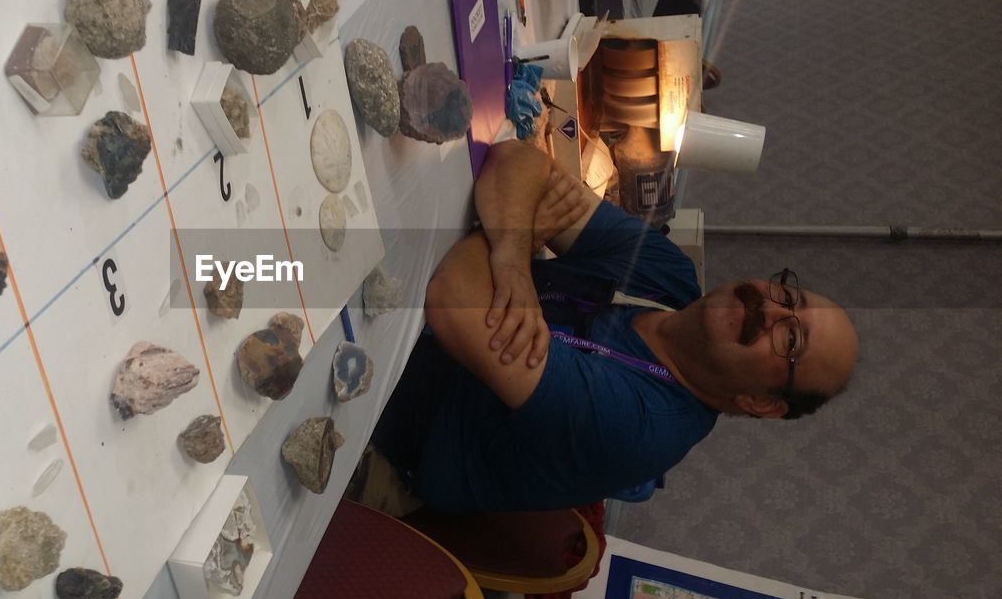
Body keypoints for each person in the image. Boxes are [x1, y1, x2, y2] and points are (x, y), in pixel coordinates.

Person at [368, 139, 859, 514]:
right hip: (409, 305)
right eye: (788, 296)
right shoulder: (672, 277)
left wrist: (516, 234)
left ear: (762, 403)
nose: (770, 310)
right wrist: (515, 255)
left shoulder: (638, 426)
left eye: (790, 338)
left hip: (382, 417)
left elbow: (454, 298)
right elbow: (520, 162)